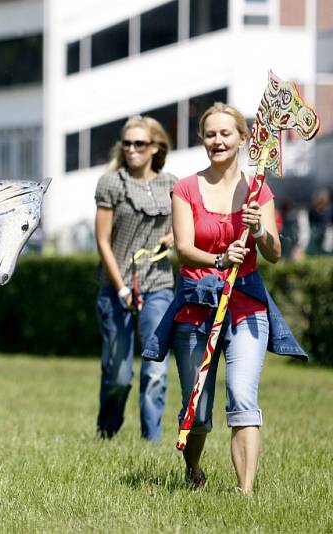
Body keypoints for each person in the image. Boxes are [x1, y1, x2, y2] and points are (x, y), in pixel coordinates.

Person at [143, 103, 306, 494]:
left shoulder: (257, 190)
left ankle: (244, 491)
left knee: (242, 398)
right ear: (203, 141)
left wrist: (259, 231)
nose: (217, 141)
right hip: (196, 307)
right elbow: (183, 248)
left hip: (246, 306)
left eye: (225, 133)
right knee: (197, 412)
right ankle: (193, 470)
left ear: (243, 138)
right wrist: (220, 257)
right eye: (210, 134)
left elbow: (273, 253)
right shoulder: (185, 188)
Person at [93, 116, 177, 443]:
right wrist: (122, 287)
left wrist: (173, 236)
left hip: (158, 286)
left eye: (139, 144)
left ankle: (151, 442)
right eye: (127, 143)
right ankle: (107, 431)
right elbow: (102, 241)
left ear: (155, 147)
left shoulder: (172, 184)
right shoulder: (112, 183)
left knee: (155, 369)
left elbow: (187, 227)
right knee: (119, 374)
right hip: (117, 287)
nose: (131, 150)